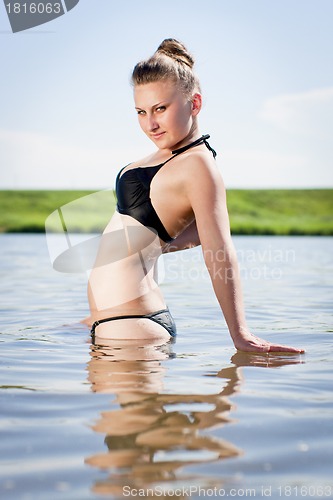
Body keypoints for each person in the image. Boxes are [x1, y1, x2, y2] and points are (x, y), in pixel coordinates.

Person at [86, 38, 304, 354]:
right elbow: (147, 239)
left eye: (161, 108)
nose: (150, 123)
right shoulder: (169, 155)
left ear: (195, 104)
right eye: (141, 111)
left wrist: (240, 334)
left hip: (130, 323)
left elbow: (219, 247)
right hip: (118, 319)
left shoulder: (198, 164)